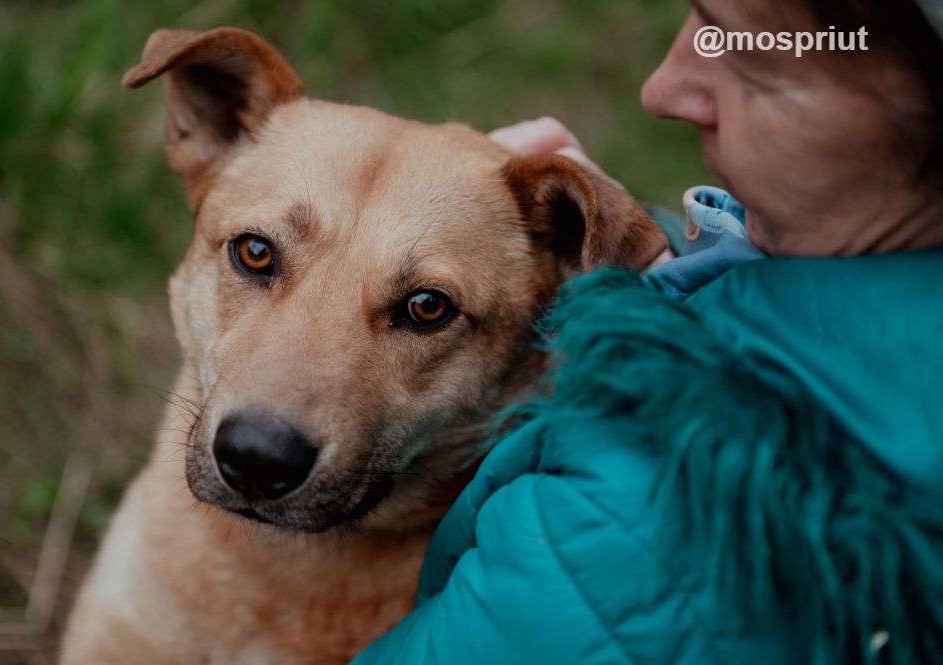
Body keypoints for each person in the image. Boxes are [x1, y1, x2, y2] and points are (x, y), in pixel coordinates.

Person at [353, 1, 943, 663]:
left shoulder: (642, 530)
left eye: (755, 67)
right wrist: (647, 281)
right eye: (697, 15)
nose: (662, 91)